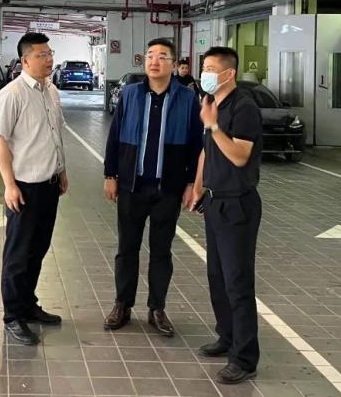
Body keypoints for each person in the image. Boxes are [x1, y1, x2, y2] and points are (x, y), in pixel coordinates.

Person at [103, 38, 203, 337]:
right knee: (126, 249)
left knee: (162, 251)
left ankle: (157, 308)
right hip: (132, 186)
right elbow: (115, 136)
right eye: (149, 56)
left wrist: (191, 183)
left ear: (174, 64)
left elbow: (196, 144)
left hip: (167, 189)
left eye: (162, 56)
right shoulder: (131, 94)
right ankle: (122, 305)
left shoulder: (187, 98)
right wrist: (111, 174)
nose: (154, 61)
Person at [191, 46, 263, 384]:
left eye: (210, 68)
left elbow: (239, 156)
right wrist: (198, 187)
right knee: (217, 276)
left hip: (238, 204)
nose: (204, 73)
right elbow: (207, 151)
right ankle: (227, 336)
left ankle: (244, 358)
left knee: (237, 282)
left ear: (229, 73)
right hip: (215, 201)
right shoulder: (212, 103)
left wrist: (214, 126)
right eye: (203, 67)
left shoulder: (244, 107)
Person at [0, 32, 68, 346]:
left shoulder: (51, 90)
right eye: (41, 55)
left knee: (38, 249)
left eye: (50, 54)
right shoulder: (11, 94)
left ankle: (28, 305)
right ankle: (13, 316)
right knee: (18, 254)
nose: (49, 59)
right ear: (25, 60)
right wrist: (9, 185)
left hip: (49, 185)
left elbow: (55, 133)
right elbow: (1, 140)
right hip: (24, 187)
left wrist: (61, 171)